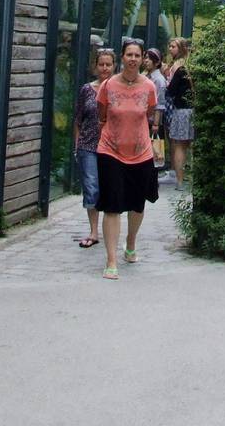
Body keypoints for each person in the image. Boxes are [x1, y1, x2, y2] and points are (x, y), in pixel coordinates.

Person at [95, 38, 160, 279]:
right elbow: (102, 114)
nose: (132, 59)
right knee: (112, 205)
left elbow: (149, 113)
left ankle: (130, 242)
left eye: (136, 55)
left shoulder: (149, 87)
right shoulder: (108, 86)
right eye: (128, 54)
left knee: (137, 204)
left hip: (141, 152)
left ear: (142, 58)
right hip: (110, 150)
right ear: (122, 58)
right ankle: (111, 260)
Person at [72, 49, 115, 248]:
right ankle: (94, 231)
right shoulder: (86, 90)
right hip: (88, 145)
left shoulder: (118, 89)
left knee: (108, 188)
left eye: (108, 64)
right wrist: (77, 145)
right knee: (91, 187)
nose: (105, 68)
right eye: (101, 64)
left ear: (114, 66)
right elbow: (78, 120)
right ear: (95, 66)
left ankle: (109, 229)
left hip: (111, 147)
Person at [164, 37, 194, 186]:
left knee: (179, 145)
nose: (170, 49)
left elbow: (171, 90)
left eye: (173, 46)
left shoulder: (177, 66)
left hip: (181, 110)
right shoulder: (192, 65)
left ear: (181, 48)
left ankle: (180, 181)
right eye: (170, 46)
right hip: (194, 110)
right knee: (191, 145)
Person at [143, 46, 167, 168]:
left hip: (153, 122)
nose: (146, 61)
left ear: (157, 62)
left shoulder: (158, 80)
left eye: (149, 58)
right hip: (144, 120)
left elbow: (160, 104)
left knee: (153, 156)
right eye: (145, 57)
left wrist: (156, 124)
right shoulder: (146, 76)